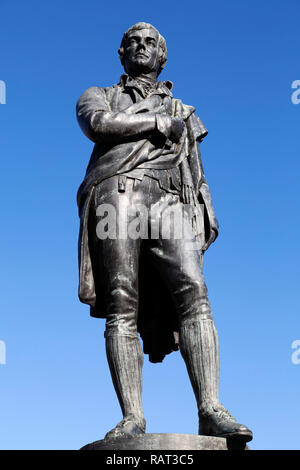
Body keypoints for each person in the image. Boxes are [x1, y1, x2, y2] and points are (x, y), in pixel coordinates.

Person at [76, 22, 252, 443]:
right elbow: (98, 124)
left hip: (171, 198)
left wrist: (205, 210)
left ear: (162, 56)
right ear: (122, 53)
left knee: (195, 292)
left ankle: (210, 407)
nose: (141, 46)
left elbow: (196, 170)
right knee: (121, 299)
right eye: (133, 41)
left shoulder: (184, 110)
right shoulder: (99, 95)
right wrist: (155, 120)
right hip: (117, 193)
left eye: (150, 42)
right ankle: (133, 417)